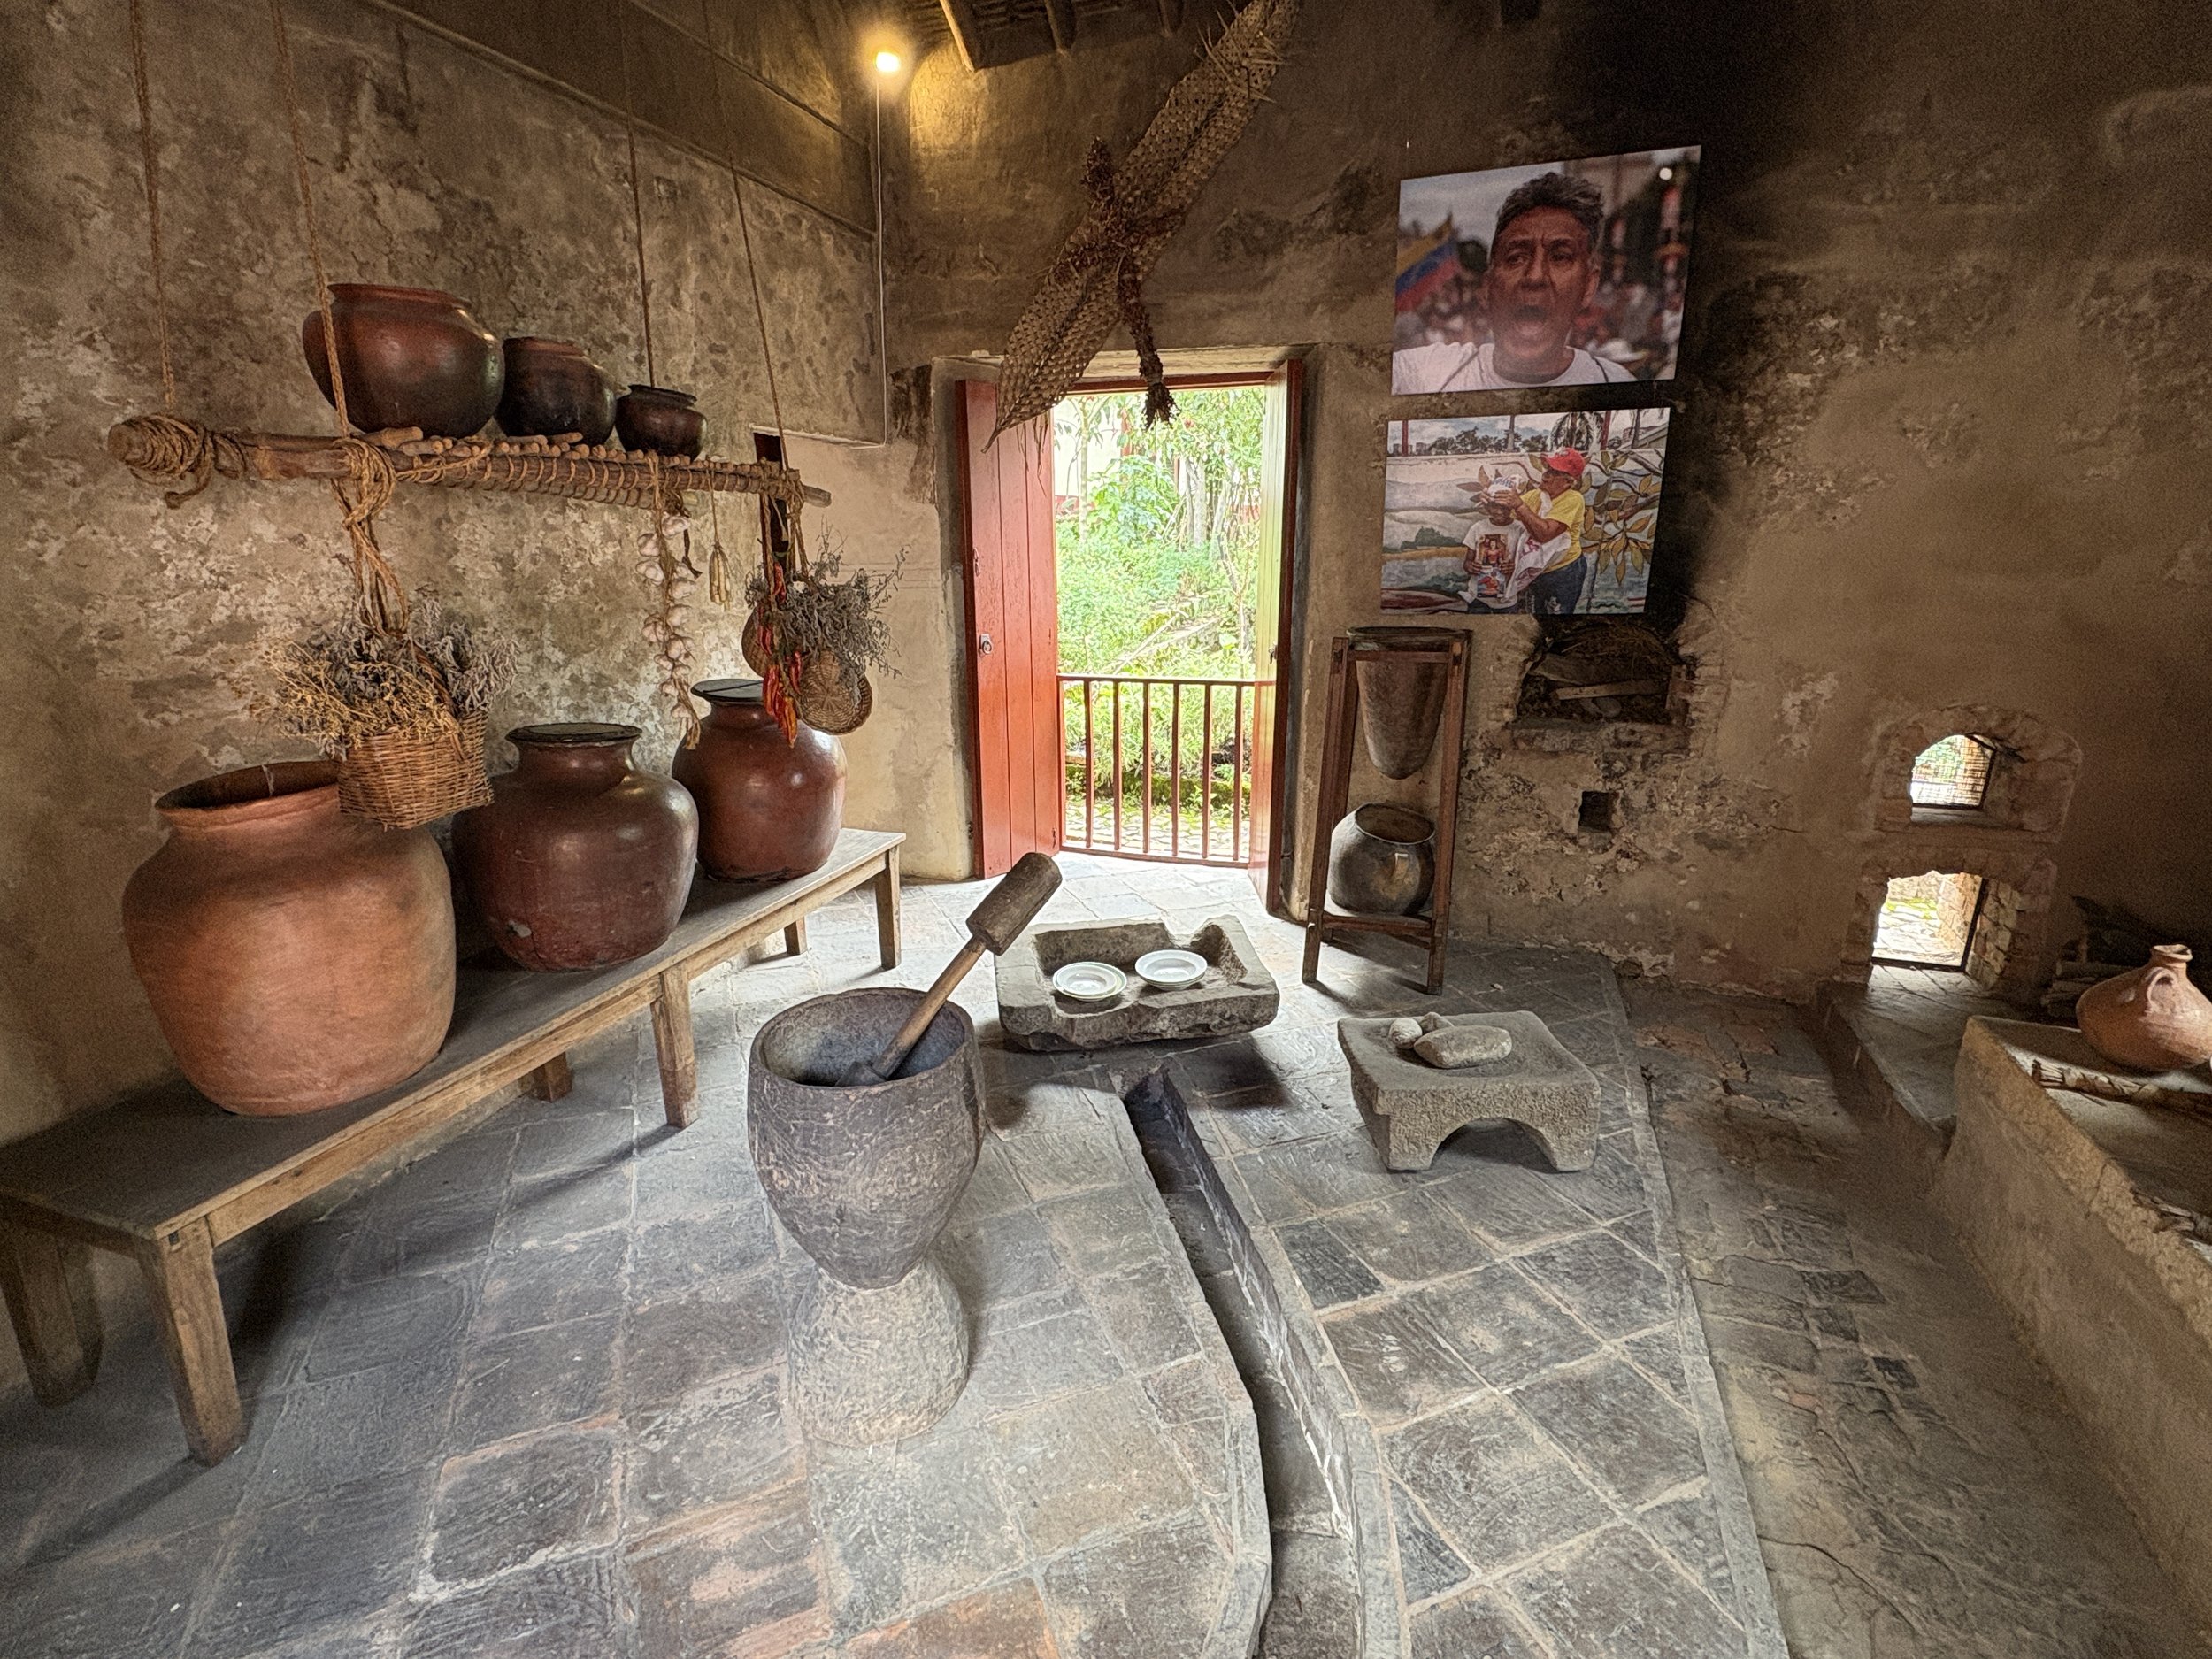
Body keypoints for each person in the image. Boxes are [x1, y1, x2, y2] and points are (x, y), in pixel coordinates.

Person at [1393, 173, 1639, 393]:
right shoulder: (1425, 375)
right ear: (1487, 288)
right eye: (1516, 258)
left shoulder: (1615, 384)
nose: (1534, 277)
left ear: (1588, 286)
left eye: (1560, 257)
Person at [1457, 475, 1558, 611]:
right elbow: (1467, 562)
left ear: (1512, 507)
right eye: (1494, 506)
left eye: (1504, 507)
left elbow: (1528, 562)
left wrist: (1514, 568)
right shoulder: (1478, 528)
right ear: (1487, 507)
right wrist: (1471, 567)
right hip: (1478, 598)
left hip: (1507, 600)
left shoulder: (1521, 529)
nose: (1499, 511)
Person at [1513, 448, 1593, 615]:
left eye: (1555, 472)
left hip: (1563, 571)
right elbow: (1507, 512)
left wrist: (1519, 505)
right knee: (1536, 615)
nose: (1546, 475)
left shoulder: (1573, 499)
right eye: (1548, 469)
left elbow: (1545, 534)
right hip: (1539, 569)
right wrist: (1494, 497)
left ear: (1568, 482)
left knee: (1557, 617)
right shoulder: (1536, 495)